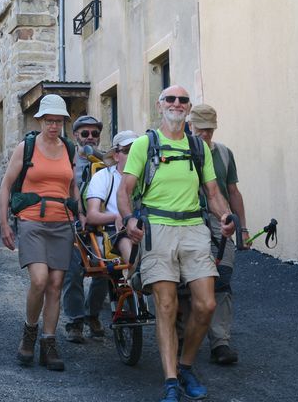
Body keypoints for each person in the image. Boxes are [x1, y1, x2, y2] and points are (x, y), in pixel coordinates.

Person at [117, 85, 235, 402]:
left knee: (206, 304)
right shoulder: (144, 145)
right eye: (170, 99)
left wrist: (226, 216)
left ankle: (185, 366)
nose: (177, 104)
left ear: (188, 107)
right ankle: (171, 380)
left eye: (183, 100)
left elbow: (213, 193)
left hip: (194, 227)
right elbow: (124, 192)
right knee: (166, 306)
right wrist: (129, 220)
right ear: (160, 106)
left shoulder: (199, 147)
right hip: (158, 227)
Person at [0, 94, 85, 372]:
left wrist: (80, 215)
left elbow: (73, 187)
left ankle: (49, 343)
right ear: (40, 120)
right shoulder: (27, 147)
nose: (53, 126)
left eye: (58, 121)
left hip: (62, 224)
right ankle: (29, 333)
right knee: (39, 280)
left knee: (56, 283)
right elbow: (6, 185)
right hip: (32, 221)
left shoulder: (69, 149)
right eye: (49, 120)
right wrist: (3, 224)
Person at [182, 104, 250, 365]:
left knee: (222, 280)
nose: (205, 135)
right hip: (187, 219)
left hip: (218, 220)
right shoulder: (180, 150)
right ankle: (183, 337)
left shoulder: (223, 153)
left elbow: (232, 191)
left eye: (209, 130)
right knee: (188, 281)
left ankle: (220, 342)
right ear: (191, 127)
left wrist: (241, 227)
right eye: (200, 130)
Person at [62, 115, 108, 342]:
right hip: (73, 222)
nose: (90, 137)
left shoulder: (108, 158)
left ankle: (92, 314)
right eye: (85, 133)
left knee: (106, 272)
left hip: (102, 223)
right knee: (73, 272)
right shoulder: (66, 159)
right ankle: (75, 321)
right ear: (75, 136)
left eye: (95, 133)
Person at [86, 131, 139, 265]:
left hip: (145, 227)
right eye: (127, 151)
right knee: (127, 242)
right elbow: (91, 216)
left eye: (137, 149)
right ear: (116, 156)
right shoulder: (103, 176)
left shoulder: (148, 176)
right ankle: (136, 276)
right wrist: (117, 216)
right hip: (114, 231)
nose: (133, 154)